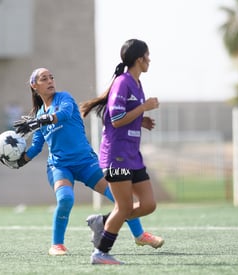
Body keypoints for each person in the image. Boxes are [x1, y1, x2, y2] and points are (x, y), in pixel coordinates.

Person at [10, 67, 163, 256]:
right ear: (34, 86)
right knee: (65, 199)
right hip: (60, 166)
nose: (50, 81)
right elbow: (36, 146)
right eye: (44, 79)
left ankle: (140, 235)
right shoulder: (39, 114)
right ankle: (57, 244)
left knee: (121, 200)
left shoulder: (64, 98)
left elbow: (65, 114)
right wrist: (19, 162)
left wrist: (40, 121)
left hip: (85, 162)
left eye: (51, 77)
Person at [80, 39, 161, 264]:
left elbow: (125, 115)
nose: (149, 60)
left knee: (148, 204)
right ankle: (101, 253)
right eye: (148, 55)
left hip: (132, 156)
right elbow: (115, 119)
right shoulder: (123, 82)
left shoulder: (137, 83)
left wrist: (141, 120)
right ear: (139, 59)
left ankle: (104, 221)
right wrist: (143, 108)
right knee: (124, 207)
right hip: (116, 156)